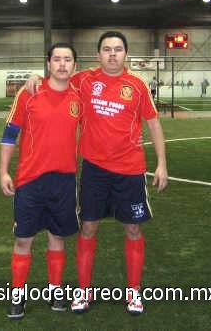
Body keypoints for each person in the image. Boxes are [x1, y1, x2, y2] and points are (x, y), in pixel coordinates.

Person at [27, 31, 168, 315]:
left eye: (117, 49)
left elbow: (153, 124)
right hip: (94, 169)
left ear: (126, 54)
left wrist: (162, 163)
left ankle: (134, 293)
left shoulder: (137, 85)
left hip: (130, 170)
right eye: (106, 49)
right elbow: (57, 78)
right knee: (88, 227)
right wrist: (35, 77)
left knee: (133, 228)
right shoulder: (85, 80)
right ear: (98, 54)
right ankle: (84, 291)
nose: (112, 54)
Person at [0, 43, 81, 320]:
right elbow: (10, 134)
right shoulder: (29, 92)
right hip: (30, 180)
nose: (61, 64)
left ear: (74, 66)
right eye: (56, 59)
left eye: (67, 60)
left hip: (64, 180)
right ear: (48, 64)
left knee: (57, 237)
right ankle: (17, 296)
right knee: (24, 239)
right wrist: (3, 172)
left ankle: (56, 291)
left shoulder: (79, 96)